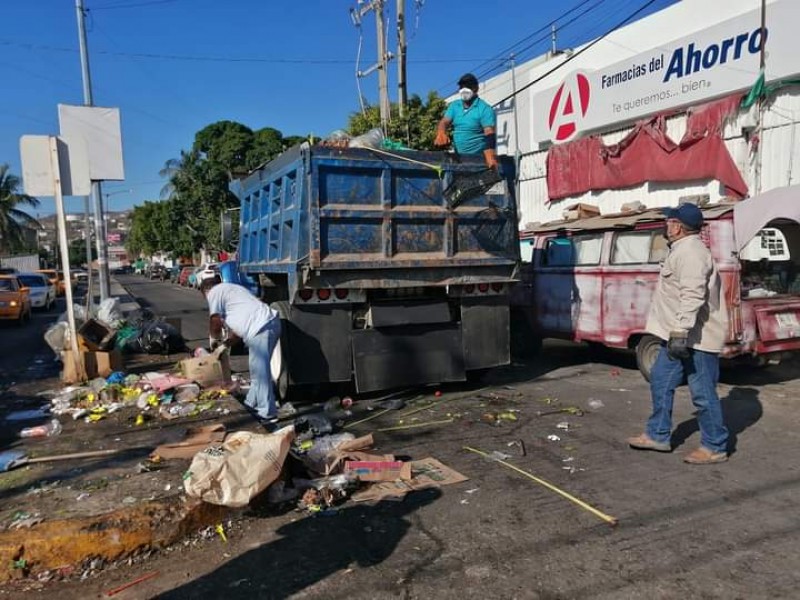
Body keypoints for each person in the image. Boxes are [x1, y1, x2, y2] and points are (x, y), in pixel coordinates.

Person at [628, 203, 730, 464]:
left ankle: (715, 446)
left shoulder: (692, 253)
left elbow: (692, 295)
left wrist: (681, 331)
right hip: (675, 336)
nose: (666, 225)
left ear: (677, 226)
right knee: (661, 381)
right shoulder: (681, 250)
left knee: (702, 394)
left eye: (669, 221)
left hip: (696, 338)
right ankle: (658, 435)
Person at [199, 276, 281, 421]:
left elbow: (215, 320)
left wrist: (214, 340)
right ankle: (251, 403)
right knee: (256, 370)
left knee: (260, 372)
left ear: (206, 291)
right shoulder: (232, 291)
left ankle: (267, 412)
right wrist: (227, 344)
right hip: (268, 324)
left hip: (260, 328)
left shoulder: (215, 292)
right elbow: (238, 328)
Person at [434, 73, 498, 168]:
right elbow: (444, 122)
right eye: (461, 86)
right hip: (458, 159)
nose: (464, 89)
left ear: (476, 88)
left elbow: (489, 134)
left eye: (468, 86)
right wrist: (441, 132)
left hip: (478, 160)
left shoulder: (484, 109)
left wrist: (490, 155)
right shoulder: (454, 106)